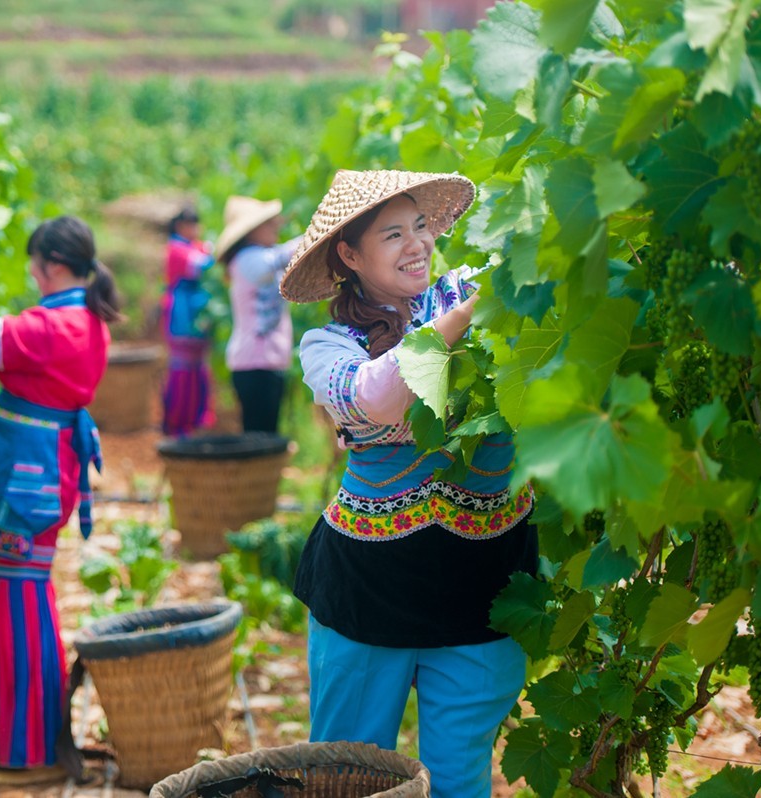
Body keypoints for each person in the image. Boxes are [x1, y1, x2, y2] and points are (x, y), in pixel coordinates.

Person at [278, 169, 538, 798]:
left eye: (421, 226)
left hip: (483, 581)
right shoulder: (329, 345)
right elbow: (381, 397)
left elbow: (542, 276)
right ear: (349, 255)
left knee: (459, 779)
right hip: (370, 588)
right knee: (348, 776)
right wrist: (475, 313)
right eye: (393, 234)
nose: (416, 244)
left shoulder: (464, 290)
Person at [0, 216, 120, 784]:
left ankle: (25, 743)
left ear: (51, 264)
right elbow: (2, 330)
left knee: (20, 601)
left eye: (34, 264)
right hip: (45, 474)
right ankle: (23, 737)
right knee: (23, 595)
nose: (32, 274)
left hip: (31, 484)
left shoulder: (56, 324)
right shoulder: (82, 317)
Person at [214, 196, 301, 434]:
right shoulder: (247, 259)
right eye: (268, 223)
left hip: (266, 362)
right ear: (250, 232)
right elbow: (286, 255)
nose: (275, 226)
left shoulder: (258, 257)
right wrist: (324, 229)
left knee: (266, 434)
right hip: (253, 363)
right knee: (259, 437)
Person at [160, 205, 216, 437]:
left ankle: (194, 420)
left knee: (196, 366)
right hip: (182, 315)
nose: (195, 228)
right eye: (191, 224)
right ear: (180, 226)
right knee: (183, 367)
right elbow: (203, 266)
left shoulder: (193, 247)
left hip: (195, 314)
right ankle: (178, 422)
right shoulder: (177, 248)